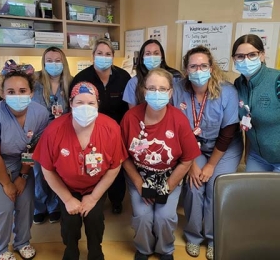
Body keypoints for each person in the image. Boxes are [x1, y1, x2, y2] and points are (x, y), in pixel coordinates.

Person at [32, 81, 128, 260]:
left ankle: (95, 250)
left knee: (94, 219)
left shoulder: (111, 128)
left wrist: (93, 197)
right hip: (66, 187)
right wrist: (67, 199)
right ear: (71, 103)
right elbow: (47, 169)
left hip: (95, 186)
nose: (85, 107)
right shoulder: (54, 130)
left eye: (91, 103)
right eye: (79, 102)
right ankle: (71, 249)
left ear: (98, 104)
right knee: (69, 222)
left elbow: (115, 167)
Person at [120, 68, 201, 260]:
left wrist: (168, 186)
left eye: (163, 89)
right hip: (139, 175)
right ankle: (144, 249)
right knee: (142, 215)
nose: (157, 93)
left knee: (164, 216)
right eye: (152, 88)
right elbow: (123, 156)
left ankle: (165, 249)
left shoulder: (179, 120)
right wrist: (140, 184)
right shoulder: (130, 118)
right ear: (144, 91)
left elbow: (188, 158)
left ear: (170, 93)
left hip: (169, 175)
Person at [172, 46, 243, 260]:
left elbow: (228, 132)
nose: (198, 69)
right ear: (186, 70)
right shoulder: (177, 90)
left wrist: (210, 165)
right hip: (193, 147)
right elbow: (176, 128)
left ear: (211, 68)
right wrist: (191, 163)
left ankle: (214, 238)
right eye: (193, 66)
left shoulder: (226, 91)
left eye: (203, 65)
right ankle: (194, 236)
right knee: (194, 186)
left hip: (225, 148)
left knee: (215, 186)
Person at [0, 61, 49, 260]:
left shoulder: (40, 114)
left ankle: (22, 242)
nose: (17, 96)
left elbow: (33, 147)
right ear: (2, 92)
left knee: (26, 203)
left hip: (21, 162)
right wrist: (7, 184)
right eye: (11, 91)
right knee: (2, 208)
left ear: (31, 92)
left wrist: (22, 175)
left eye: (22, 90)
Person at [69, 38, 131, 214]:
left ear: (113, 56)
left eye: (108, 54)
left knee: (115, 167)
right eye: (100, 53)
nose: (104, 57)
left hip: (116, 132)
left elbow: (128, 107)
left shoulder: (123, 77)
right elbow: (74, 106)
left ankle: (116, 200)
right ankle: (92, 199)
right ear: (93, 56)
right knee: (93, 166)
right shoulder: (82, 78)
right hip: (89, 130)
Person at [32, 46, 73, 224]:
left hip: (63, 135)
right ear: (43, 62)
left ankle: (54, 206)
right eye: (49, 60)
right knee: (39, 173)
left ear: (63, 62)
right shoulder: (34, 81)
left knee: (58, 172)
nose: (54, 64)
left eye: (57, 60)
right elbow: (1, 85)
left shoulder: (71, 83)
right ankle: (39, 206)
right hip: (39, 135)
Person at [232, 34, 280, 172]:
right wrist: (247, 154)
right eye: (240, 56)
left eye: (252, 55)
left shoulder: (277, 80)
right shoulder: (238, 84)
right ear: (234, 60)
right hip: (258, 156)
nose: (246, 60)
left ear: (262, 55)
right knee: (252, 192)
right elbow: (248, 121)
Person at [123, 39, 182, 108]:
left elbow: (182, 104)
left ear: (162, 57)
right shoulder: (133, 83)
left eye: (156, 53)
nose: (152, 57)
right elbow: (133, 112)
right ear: (142, 58)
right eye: (148, 54)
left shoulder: (175, 78)